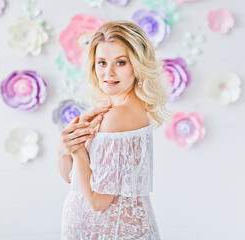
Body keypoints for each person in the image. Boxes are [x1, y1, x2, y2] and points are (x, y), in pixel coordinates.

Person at [57, 20, 169, 239]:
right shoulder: (112, 110)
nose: (108, 73)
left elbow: (98, 201)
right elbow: (72, 178)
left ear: (137, 65)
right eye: (101, 62)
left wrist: (78, 149)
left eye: (120, 62)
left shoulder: (118, 117)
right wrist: (65, 148)